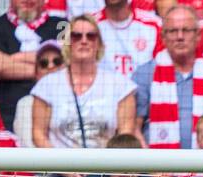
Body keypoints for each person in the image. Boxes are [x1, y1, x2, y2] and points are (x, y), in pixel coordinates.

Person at [132, 5, 203, 149]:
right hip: (158, 167)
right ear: (163, 37)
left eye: (186, 30)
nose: (180, 37)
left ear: (198, 35)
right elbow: (134, 128)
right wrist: (151, 166)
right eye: (173, 31)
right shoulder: (144, 73)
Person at [30, 13, 138, 149]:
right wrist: (65, 168)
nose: (84, 41)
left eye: (91, 36)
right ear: (68, 43)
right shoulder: (46, 85)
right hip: (57, 166)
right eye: (76, 36)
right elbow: (38, 134)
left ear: (99, 44)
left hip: (106, 166)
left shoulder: (121, 85)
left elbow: (125, 138)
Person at [0, 0, 68, 120]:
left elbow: (69, 64)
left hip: (56, 110)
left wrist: (15, 58)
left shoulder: (62, 25)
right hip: (6, 114)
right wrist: (46, 68)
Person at [12, 38, 66, 144]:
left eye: (57, 61)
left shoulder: (79, 97)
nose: (51, 66)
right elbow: (28, 147)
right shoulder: (26, 104)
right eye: (43, 63)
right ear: (36, 74)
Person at [97, 0, 162, 77]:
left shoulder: (154, 25)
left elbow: (163, 66)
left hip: (145, 87)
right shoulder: (90, 27)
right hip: (104, 87)